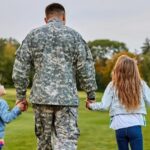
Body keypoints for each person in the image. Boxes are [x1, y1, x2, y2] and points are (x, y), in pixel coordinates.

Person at [12, 3, 97, 150]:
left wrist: (20, 96)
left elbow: (20, 69)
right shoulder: (75, 36)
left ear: (46, 19)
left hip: (41, 98)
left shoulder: (33, 36)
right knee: (66, 143)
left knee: (44, 144)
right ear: (64, 18)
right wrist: (91, 95)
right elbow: (86, 68)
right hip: (66, 100)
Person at [86, 55, 150, 150]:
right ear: (134, 69)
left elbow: (104, 106)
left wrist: (90, 105)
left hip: (119, 127)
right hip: (135, 127)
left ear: (118, 69)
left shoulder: (112, 85)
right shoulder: (141, 84)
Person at [0, 85, 24, 150]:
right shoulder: (1, 102)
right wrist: (18, 108)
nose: (2, 85)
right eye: (0, 85)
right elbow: (7, 118)